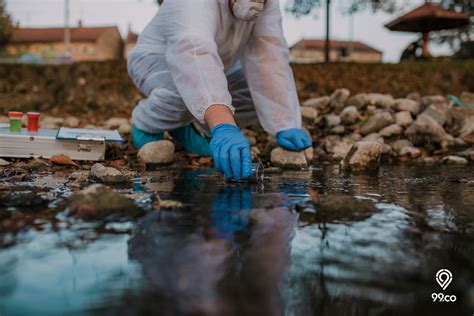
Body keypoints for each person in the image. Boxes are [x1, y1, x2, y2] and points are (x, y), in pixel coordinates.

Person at [128, 0, 312, 181]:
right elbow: (194, 54)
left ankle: (194, 127)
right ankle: (147, 124)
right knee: (184, 92)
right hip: (156, 60)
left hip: (218, 63)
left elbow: (268, 56)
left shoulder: (268, 4)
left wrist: (284, 122)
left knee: (254, 93)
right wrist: (224, 125)